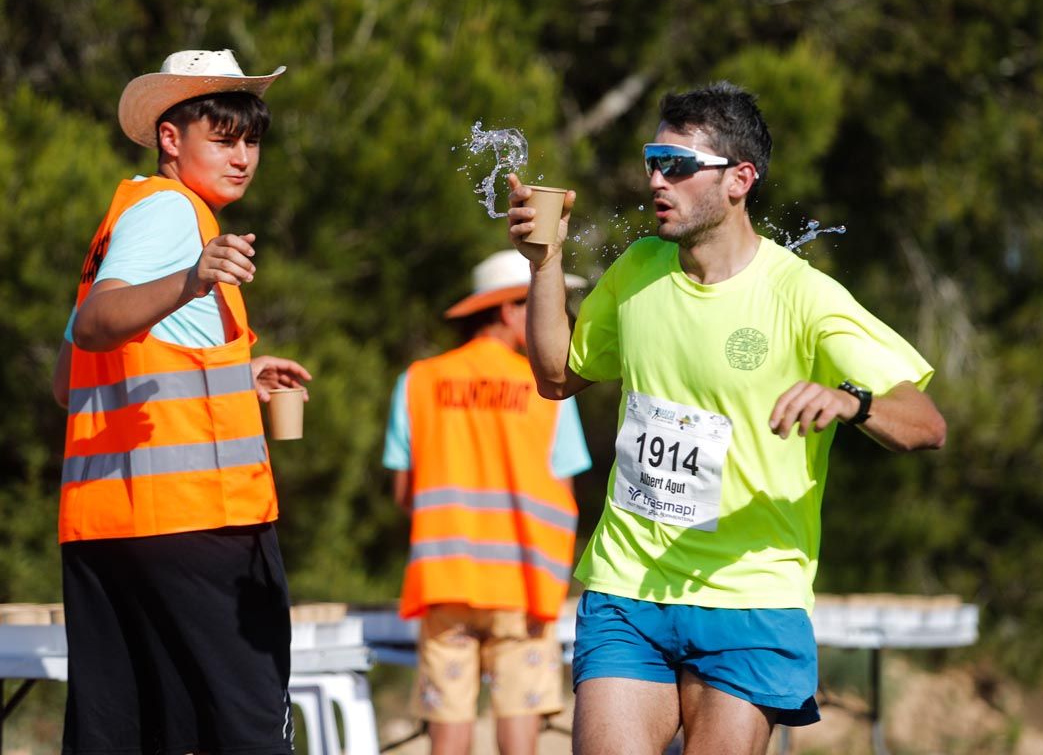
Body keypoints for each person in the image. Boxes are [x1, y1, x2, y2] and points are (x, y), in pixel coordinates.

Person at [505, 81, 947, 755]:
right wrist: (544, 264)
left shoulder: (802, 295)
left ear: (740, 179)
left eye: (678, 165)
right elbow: (557, 375)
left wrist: (853, 403)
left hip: (750, 597)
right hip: (629, 587)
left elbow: (926, 424)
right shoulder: (637, 270)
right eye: (654, 160)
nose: (657, 178)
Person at [51, 49, 310, 755]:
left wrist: (235, 381)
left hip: (107, 529)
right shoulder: (173, 213)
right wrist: (193, 277)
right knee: (246, 729)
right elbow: (105, 321)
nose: (244, 157)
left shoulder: (126, 218)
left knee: (133, 735)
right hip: (198, 523)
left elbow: (68, 381)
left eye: (251, 140)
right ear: (171, 138)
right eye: (223, 138)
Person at [382, 249, 593, 755]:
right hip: (522, 586)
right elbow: (563, 495)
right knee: (518, 730)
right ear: (507, 310)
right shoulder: (547, 389)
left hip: (445, 580)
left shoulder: (419, 381)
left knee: (449, 726)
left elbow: (404, 494)